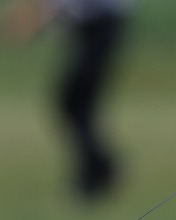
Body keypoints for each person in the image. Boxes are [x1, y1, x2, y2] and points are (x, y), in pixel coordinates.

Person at [1, 0, 131, 197]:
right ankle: (99, 169)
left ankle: (99, 171)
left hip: (103, 26)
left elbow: (62, 7)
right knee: (73, 103)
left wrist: (32, 23)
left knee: (74, 102)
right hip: (91, 30)